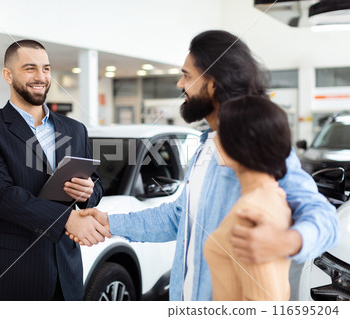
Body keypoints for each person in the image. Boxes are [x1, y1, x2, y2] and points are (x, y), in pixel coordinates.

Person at [69, 30, 340, 301]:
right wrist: (108, 222)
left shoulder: (253, 145)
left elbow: (323, 217)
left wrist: (286, 241)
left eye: (187, 75)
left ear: (213, 84)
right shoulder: (205, 145)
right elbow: (178, 218)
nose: (179, 83)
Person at [0, 39, 110, 301]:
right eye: (30, 68)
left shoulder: (75, 129)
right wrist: (67, 219)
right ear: (8, 75)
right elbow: (1, 196)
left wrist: (89, 191)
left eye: (46, 68)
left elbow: (96, 185)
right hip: (11, 270)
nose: (41, 77)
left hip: (66, 270)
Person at [204, 96, 292, 301]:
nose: (215, 139)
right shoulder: (273, 194)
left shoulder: (251, 213)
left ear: (240, 143)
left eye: (221, 132)